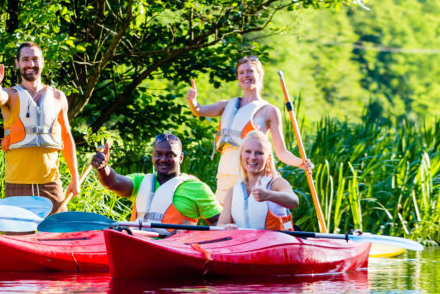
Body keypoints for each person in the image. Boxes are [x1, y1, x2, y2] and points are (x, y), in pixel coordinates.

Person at [186, 55, 312, 204]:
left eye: (250, 71)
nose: (245, 75)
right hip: (226, 170)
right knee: (222, 219)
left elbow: (281, 152)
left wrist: (301, 162)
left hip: (250, 171)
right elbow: (199, 111)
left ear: (259, 74)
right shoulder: (227, 105)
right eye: (241, 72)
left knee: (245, 216)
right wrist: (193, 101)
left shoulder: (269, 110)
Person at [0, 42, 79, 213]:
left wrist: (75, 178)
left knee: (57, 237)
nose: (30, 64)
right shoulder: (11, 95)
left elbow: (67, 137)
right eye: (25, 60)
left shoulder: (58, 97)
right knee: (18, 240)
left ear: (43, 62)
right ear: (17, 64)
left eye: (35, 59)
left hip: (51, 186)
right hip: (17, 187)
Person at [89, 134, 222, 226]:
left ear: (180, 157)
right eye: (158, 154)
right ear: (152, 155)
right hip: (137, 244)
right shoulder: (140, 181)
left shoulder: (197, 188)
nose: (163, 159)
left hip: (174, 250)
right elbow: (113, 182)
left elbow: (219, 221)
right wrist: (103, 168)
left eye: (170, 155)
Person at [217, 130, 299, 230]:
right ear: (241, 155)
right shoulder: (233, 191)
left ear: (268, 158)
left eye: (259, 153)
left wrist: (269, 195)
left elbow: (294, 201)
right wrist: (226, 227)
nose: (252, 157)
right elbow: (220, 225)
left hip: (277, 243)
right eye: (248, 151)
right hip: (245, 243)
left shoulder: (276, 183)